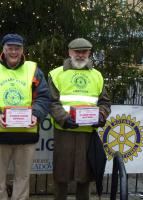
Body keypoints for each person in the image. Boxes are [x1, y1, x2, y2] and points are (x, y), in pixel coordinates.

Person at [0, 33, 49, 200]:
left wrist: (36, 114)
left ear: (22, 50)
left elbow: (43, 96)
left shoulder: (33, 69)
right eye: (10, 48)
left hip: (27, 133)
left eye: (17, 48)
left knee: (23, 179)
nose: (14, 52)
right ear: (4, 49)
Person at [48, 38, 111, 200]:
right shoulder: (56, 74)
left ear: (89, 53)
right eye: (77, 52)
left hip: (88, 134)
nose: (81, 55)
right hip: (65, 132)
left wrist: (101, 116)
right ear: (70, 52)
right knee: (61, 176)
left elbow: (104, 102)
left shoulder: (97, 76)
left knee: (85, 177)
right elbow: (51, 102)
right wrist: (64, 118)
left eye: (84, 52)